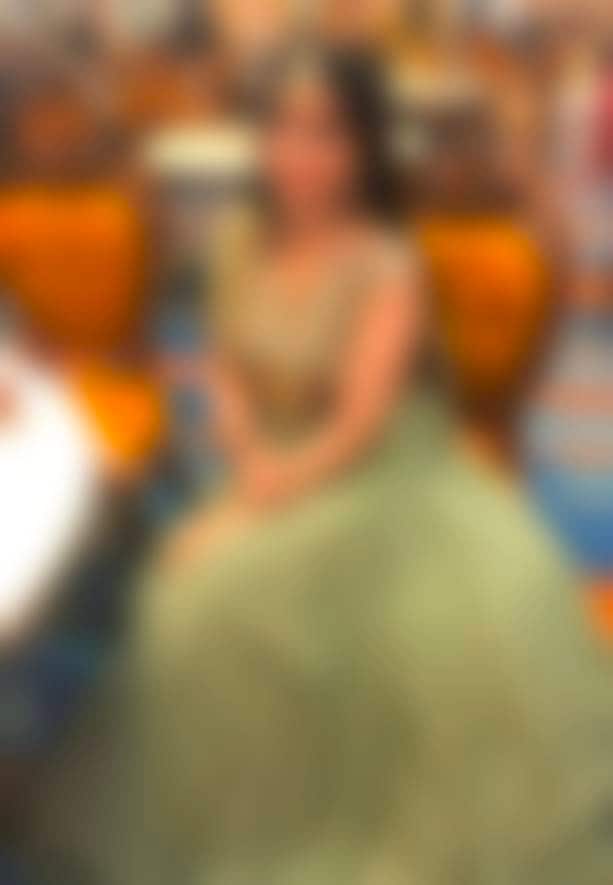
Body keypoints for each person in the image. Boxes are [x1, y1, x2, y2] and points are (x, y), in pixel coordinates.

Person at [30, 44, 613, 885]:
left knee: (225, 595)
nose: (300, 155)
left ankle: (309, 821)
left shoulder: (386, 262)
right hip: (273, 454)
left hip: (380, 473)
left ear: (362, 147)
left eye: (326, 133)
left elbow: (358, 424)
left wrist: (259, 499)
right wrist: (244, 455)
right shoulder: (241, 238)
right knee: (180, 597)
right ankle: (243, 807)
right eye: (284, 130)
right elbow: (225, 369)